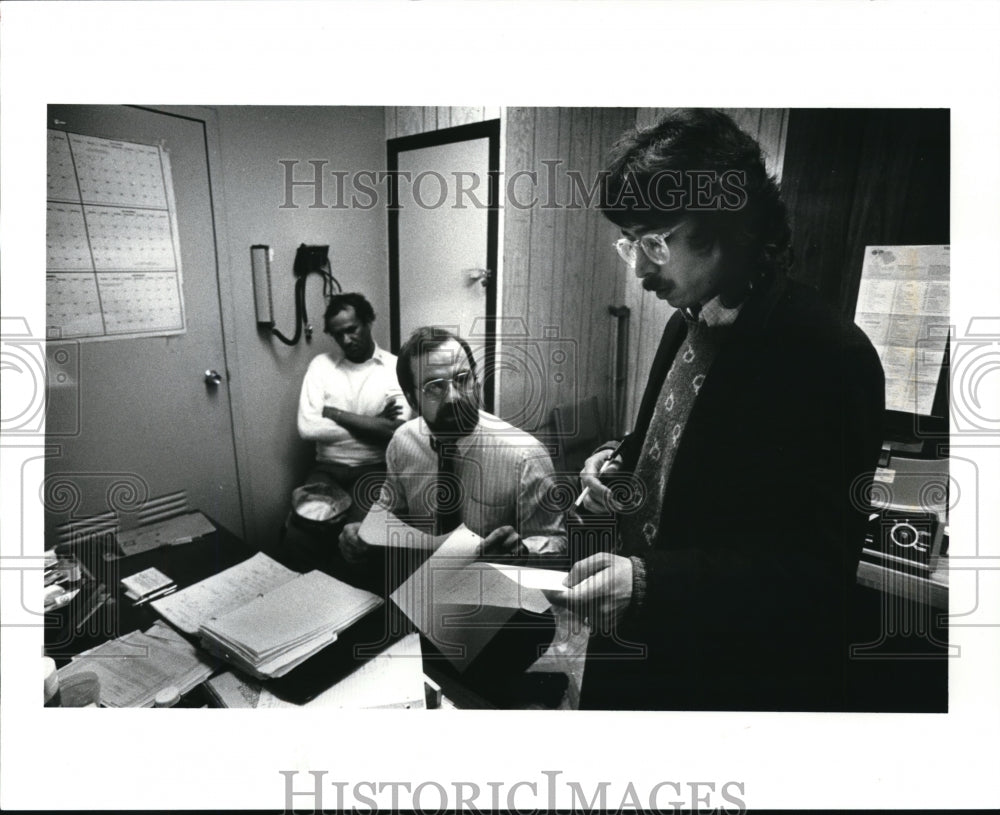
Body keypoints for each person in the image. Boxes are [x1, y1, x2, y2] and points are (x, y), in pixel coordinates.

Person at [549, 109, 885, 711]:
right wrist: (616, 461)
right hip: (639, 643)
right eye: (630, 244)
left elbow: (816, 572)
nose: (642, 269)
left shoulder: (828, 356)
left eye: (655, 243)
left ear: (729, 225)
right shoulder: (691, 318)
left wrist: (652, 581)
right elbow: (681, 442)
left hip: (720, 675)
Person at [339, 325, 566, 573]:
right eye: (434, 387)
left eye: (462, 379)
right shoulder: (403, 441)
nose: (453, 397)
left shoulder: (526, 456)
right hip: (419, 587)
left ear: (477, 383)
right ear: (412, 399)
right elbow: (389, 513)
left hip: (493, 597)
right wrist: (362, 537)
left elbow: (555, 542)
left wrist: (522, 552)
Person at [297, 293, 411, 523]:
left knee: (360, 535)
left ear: (368, 322)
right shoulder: (321, 366)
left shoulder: (393, 367)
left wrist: (334, 414)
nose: (347, 340)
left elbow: (395, 430)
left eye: (352, 329)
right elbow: (308, 429)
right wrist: (372, 423)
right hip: (327, 469)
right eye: (338, 335)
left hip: (374, 468)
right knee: (307, 530)